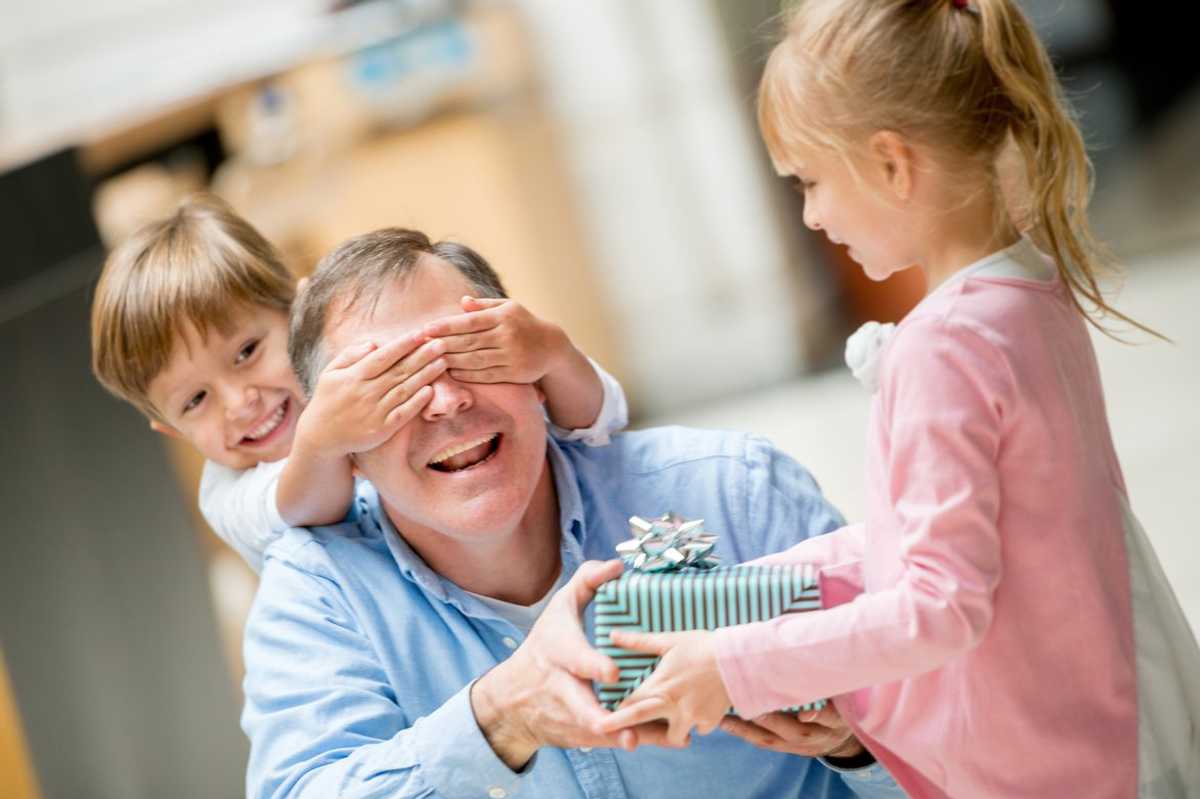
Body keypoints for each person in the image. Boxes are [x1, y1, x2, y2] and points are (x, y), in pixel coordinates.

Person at [599, 1, 1200, 796]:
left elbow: (940, 603)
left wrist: (733, 665)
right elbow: (978, 537)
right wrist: (753, 590)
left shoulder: (942, 345)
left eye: (810, 183)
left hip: (1054, 760)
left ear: (891, 162)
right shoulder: (1025, 293)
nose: (812, 214)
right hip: (1122, 701)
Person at [240, 227, 905, 798]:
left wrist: (861, 740)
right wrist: (501, 714)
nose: (444, 401)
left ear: (532, 367)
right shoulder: (316, 597)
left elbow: (962, 737)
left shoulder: (736, 490)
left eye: (471, 352)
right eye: (392, 386)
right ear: (344, 452)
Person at [90, 194, 626, 573]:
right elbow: (308, 508)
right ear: (174, 431)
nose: (239, 401)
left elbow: (601, 422)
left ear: (301, 319)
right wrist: (326, 439)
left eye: (247, 352)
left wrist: (552, 357)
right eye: (196, 400)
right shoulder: (230, 493)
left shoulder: (392, 369)